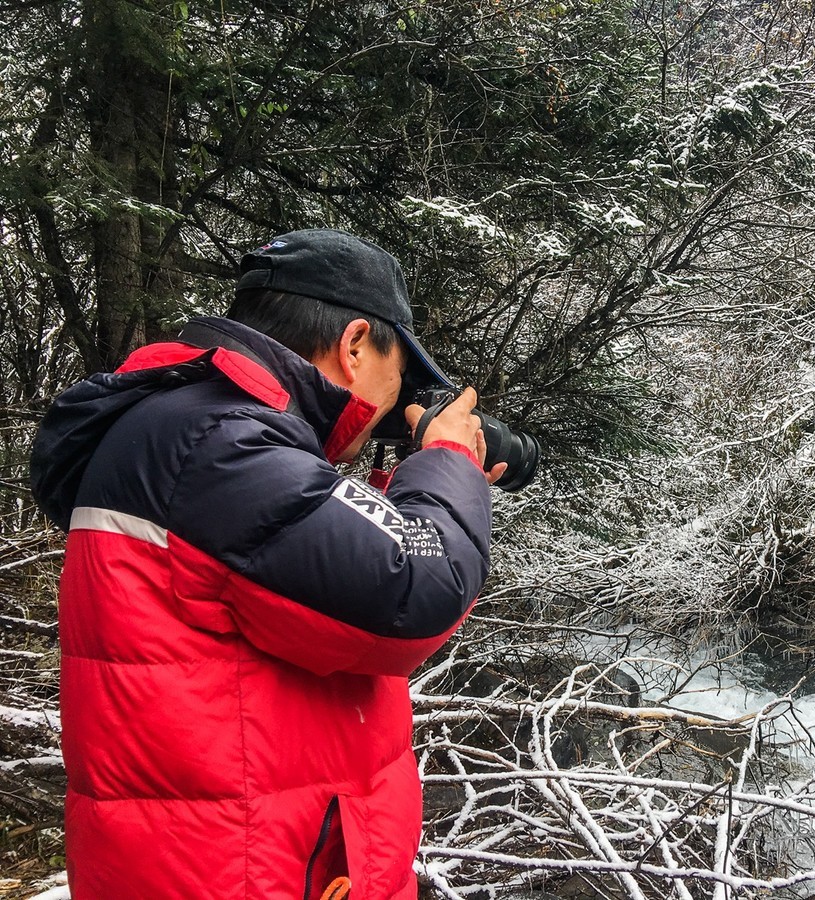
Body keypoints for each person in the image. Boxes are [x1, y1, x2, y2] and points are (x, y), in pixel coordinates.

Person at [29, 229, 504, 899]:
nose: (388, 409)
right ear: (356, 344)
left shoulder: (188, 428)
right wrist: (449, 459)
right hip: (237, 868)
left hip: (212, 856)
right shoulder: (220, 443)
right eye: (394, 384)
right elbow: (420, 589)